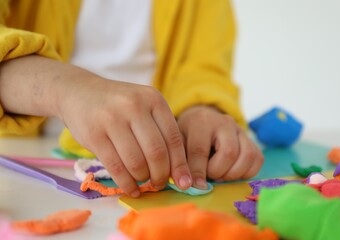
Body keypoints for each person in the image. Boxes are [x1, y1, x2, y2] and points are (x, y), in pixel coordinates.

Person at [0, 0, 264, 198]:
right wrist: (66, 89)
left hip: (155, 167)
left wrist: (202, 109)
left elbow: (203, 67)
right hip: (19, 168)